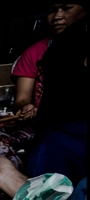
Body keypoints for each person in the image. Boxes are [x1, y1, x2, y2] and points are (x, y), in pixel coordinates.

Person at [26, 3, 87, 182]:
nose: (58, 16)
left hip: (68, 134)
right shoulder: (63, 43)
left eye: (67, 8)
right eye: (52, 10)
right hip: (57, 133)